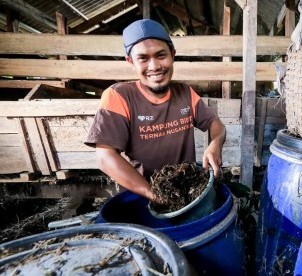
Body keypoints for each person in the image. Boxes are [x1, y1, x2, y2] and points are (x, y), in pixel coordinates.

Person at [85, 19, 226, 205]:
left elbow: (217, 126)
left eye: (161, 55)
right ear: (131, 62)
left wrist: (215, 144)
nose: (154, 66)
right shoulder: (118, 96)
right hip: (143, 196)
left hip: (188, 189)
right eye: (143, 58)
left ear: (173, 55)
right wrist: (155, 195)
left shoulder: (185, 93)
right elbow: (105, 157)